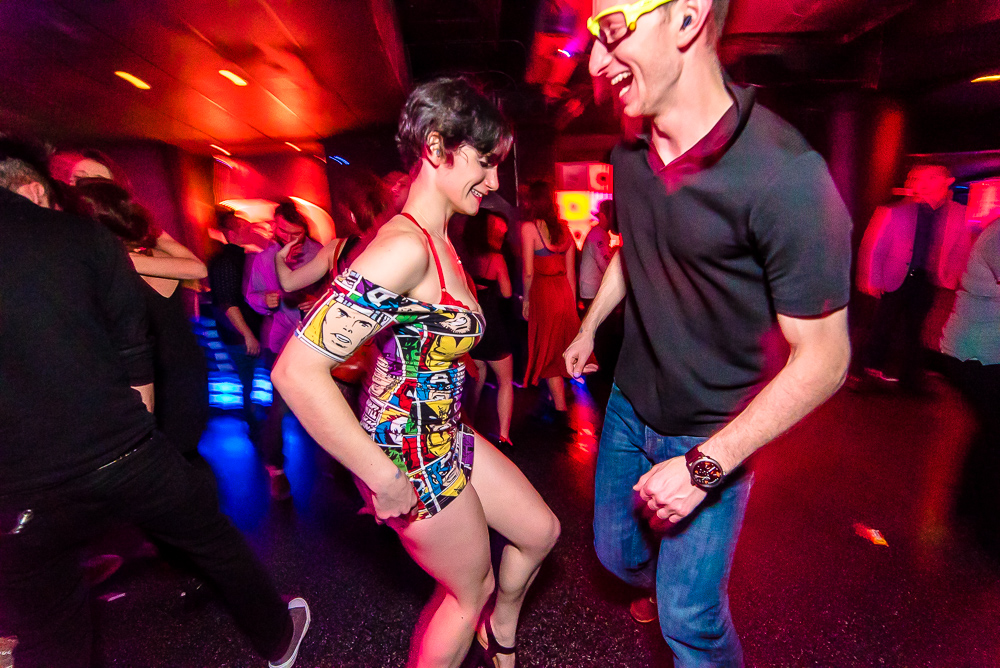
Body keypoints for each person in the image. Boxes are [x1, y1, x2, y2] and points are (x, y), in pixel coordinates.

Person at [564, 1, 852, 665]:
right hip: (629, 404)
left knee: (689, 622)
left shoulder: (784, 175)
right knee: (612, 553)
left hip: (710, 430)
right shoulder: (628, 155)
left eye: (612, 32)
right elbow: (633, 249)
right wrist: (590, 325)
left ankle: (679, 599)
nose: (596, 63)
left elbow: (827, 358)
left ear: (689, 18)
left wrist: (703, 467)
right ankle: (665, 582)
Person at [272, 77, 560, 668]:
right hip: (408, 453)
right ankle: (488, 628)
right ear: (435, 147)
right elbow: (296, 371)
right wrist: (381, 475)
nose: (493, 181)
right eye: (484, 161)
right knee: (468, 591)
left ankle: (500, 632)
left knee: (540, 532)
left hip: (445, 430)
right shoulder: (403, 248)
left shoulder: (441, 239)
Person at [0, 138, 309, 668]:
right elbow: (129, 349)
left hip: (116, 423)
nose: (82, 191)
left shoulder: (103, 251)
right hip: (120, 431)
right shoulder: (84, 247)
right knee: (199, 522)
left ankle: (196, 573)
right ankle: (267, 629)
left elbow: (185, 277)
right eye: (74, 183)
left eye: (96, 182)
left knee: (54, 623)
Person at [72, 178, 210, 459]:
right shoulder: (154, 257)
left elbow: (199, 269)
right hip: (186, 368)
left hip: (149, 377)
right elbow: (196, 267)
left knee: (159, 461)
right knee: (183, 457)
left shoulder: (111, 270)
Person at [856, 162, 971, 389]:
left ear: (947, 182)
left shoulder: (958, 213)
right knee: (882, 325)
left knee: (915, 328)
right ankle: (869, 371)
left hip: (927, 280)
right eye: (919, 179)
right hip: (893, 277)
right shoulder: (894, 210)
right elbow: (874, 247)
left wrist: (952, 277)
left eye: (931, 178)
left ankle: (910, 377)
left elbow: (961, 248)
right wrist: (871, 279)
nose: (923, 184)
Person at [245, 199, 323, 499]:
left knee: (332, 403)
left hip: (318, 342)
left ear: (304, 229)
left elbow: (341, 291)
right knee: (278, 407)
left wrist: (318, 301)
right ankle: (276, 470)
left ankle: (345, 466)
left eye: (295, 234)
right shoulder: (265, 258)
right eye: (283, 232)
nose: (288, 239)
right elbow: (251, 295)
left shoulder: (320, 252)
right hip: (280, 343)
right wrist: (263, 300)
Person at [521, 181, 586, 428]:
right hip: (564, 294)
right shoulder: (565, 230)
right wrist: (572, 305)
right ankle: (552, 402)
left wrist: (526, 300)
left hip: (544, 293)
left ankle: (560, 412)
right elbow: (571, 274)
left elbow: (528, 273)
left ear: (532, 201)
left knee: (546, 353)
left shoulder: (529, 228)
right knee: (558, 351)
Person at [209, 207, 265, 444]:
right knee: (247, 381)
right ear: (231, 233)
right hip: (238, 335)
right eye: (243, 227)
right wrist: (248, 334)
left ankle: (258, 426)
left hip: (245, 333)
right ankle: (255, 429)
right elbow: (228, 302)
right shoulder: (225, 261)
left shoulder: (242, 257)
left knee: (250, 380)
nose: (249, 230)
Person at [464, 209, 516, 448]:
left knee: (475, 380)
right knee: (505, 381)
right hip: (493, 327)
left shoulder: (462, 256)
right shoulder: (496, 258)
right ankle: (504, 436)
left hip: (473, 328)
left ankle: (470, 427)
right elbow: (506, 292)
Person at [579, 199, 616, 311]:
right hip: (593, 292)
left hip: (592, 290)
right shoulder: (598, 235)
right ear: (605, 216)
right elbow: (604, 263)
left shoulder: (599, 233)